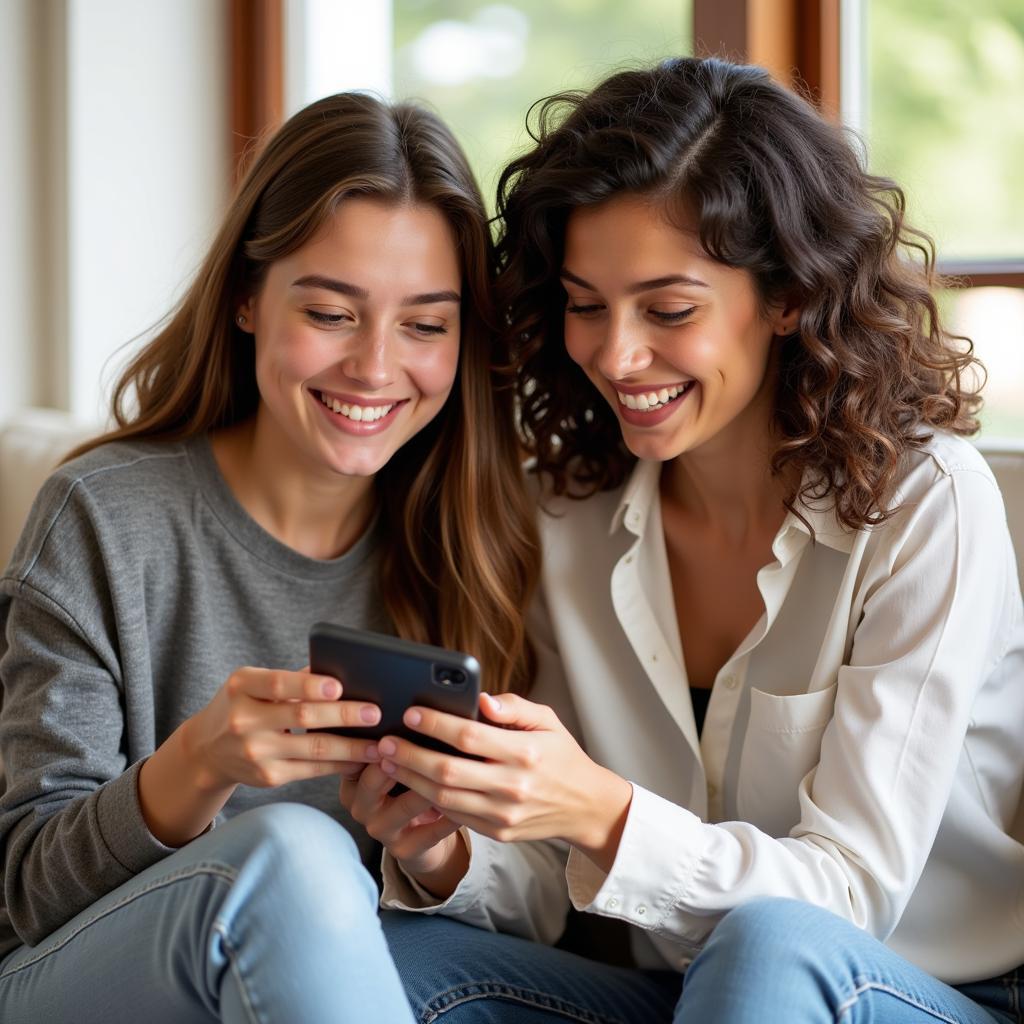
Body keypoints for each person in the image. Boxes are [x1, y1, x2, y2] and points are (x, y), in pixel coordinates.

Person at [340, 58, 1024, 1022]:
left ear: (786, 296)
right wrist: (446, 845)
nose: (615, 355)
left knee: (771, 944)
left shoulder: (927, 504)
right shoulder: (567, 512)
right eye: (586, 304)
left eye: (669, 310)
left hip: (909, 988)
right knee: (389, 962)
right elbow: (549, 879)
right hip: (670, 992)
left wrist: (598, 811)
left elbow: (851, 899)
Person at [0, 92, 540, 1022]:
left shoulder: (475, 539)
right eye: (331, 312)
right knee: (295, 848)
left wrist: (433, 851)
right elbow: (24, 890)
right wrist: (198, 764)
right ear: (247, 299)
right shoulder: (105, 516)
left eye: (425, 324)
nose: (375, 368)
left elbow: (527, 894)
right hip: (74, 978)